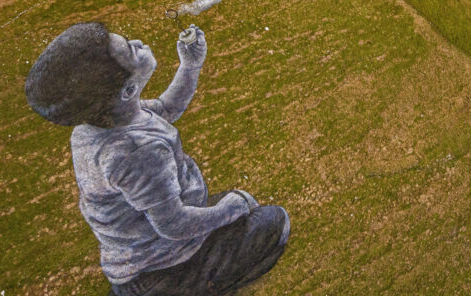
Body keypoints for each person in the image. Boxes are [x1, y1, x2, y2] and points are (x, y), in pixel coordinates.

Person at [25, 22, 289, 295]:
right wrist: (229, 210)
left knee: (232, 209)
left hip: (137, 259)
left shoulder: (101, 125)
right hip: (163, 268)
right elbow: (174, 224)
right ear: (128, 91)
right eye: (131, 49)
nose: (138, 43)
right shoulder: (138, 152)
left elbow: (166, 107)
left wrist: (190, 65)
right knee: (271, 221)